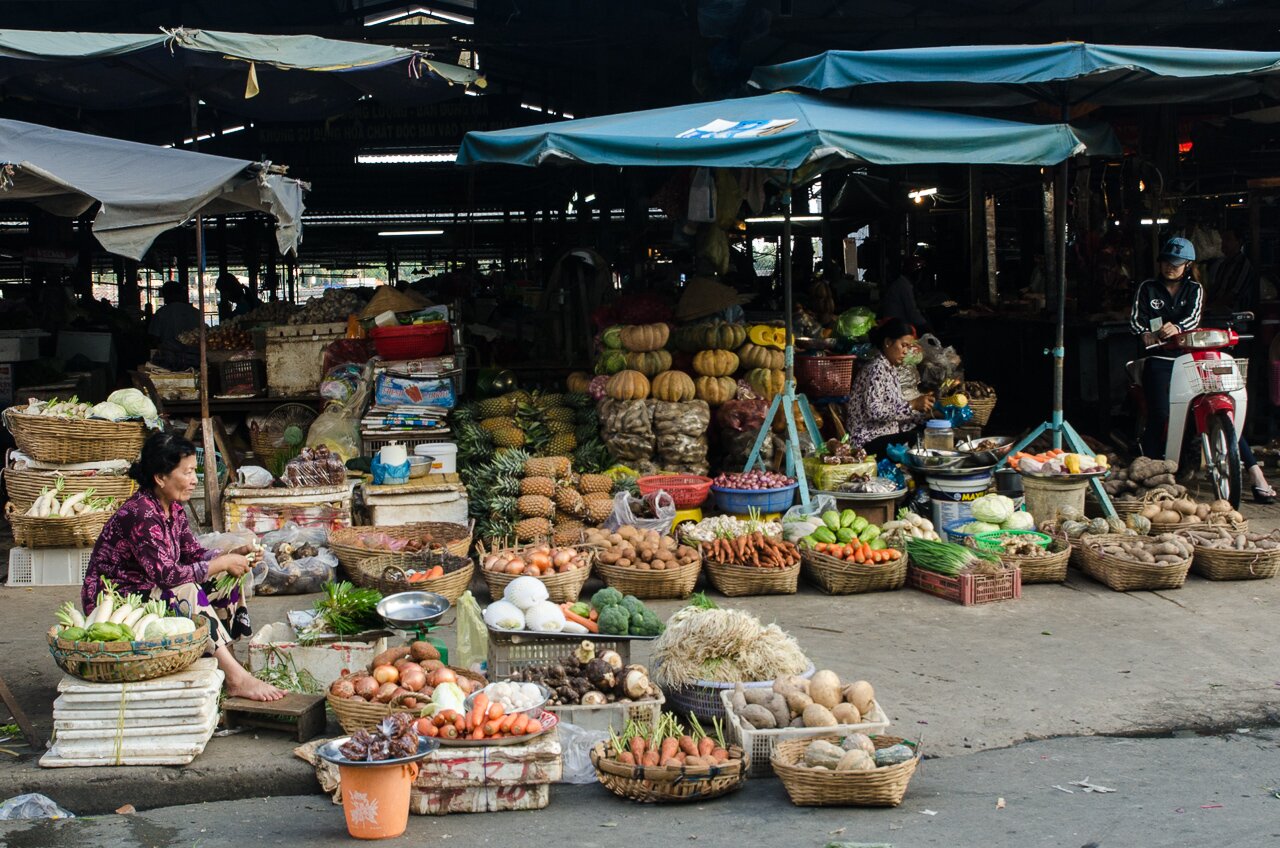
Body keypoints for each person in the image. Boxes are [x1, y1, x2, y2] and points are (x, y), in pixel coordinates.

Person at [81, 433, 285, 701]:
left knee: (223, 575)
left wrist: (233, 555)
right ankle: (236, 679)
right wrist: (221, 561)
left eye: (194, 472)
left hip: (150, 589)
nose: (194, 480)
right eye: (187, 472)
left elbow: (193, 553)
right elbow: (166, 575)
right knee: (187, 590)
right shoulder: (141, 514)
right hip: (118, 599)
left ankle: (227, 662)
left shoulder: (172, 508)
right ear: (160, 477)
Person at [1129, 237, 1275, 503]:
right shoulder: (1147, 288)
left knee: (1221, 413)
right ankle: (1146, 475)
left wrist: (1178, 328)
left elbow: (1193, 317)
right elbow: (1136, 319)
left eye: (1177, 263)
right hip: (1160, 357)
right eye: (1166, 262)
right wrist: (1145, 334)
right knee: (1160, 413)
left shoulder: (1194, 289)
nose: (1170, 268)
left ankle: (1255, 474)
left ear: (1187, 265)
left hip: (1189, 355)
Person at [846, 317, 936, 455]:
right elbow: (874, 411)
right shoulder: (875, 369)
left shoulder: (890, 368)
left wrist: (929, 416)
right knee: (914, 437)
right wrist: (912, 405)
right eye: (903, 345)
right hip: (866, 441)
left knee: (930, 428)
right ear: (888, 342)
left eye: (909, 347)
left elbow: (896, 413)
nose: (906, 351)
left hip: (885, 435)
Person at [878, 256, 929, 333]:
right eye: (920, 273)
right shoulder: (903, 286)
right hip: (896, 328)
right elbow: (912, 313)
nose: (921, 276)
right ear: (915, 273)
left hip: (897, 324)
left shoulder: (904, 284)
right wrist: (927, 328)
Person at [1211, 227, 1257, 312]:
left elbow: (1234, 293)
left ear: (1238, 242)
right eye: (1223, 239)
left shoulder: (1244, 265)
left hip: (1236, 314)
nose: (1223, 243)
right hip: (1219, 310)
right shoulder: (1223, 265)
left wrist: (1215, 306)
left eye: (1228, 239)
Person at [148, 280, 202, 348]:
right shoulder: (195, 312)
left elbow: (154, 337)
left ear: (166, 295)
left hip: (169, 353)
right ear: (181, 294)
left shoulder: (161, 313)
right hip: (193, 353)